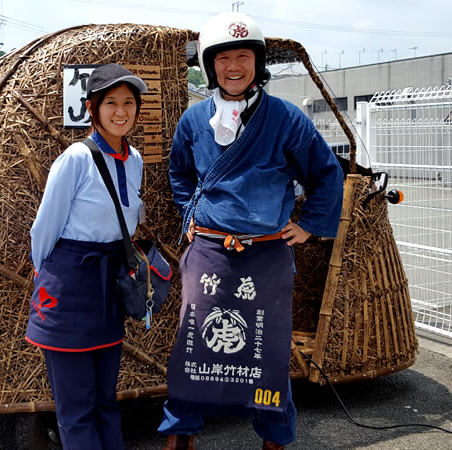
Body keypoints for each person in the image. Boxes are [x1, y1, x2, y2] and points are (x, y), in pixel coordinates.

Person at [159, 12, 344, 450]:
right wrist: (190, 216)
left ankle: (274, 437)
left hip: (266, 253)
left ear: (258, 63)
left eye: (244, 56)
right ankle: (181, 433)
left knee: (269, 349)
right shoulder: (193, 121)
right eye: (223, 58)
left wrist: (309, 225)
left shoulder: (286, 118)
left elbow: (326, 172)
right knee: (193, 344)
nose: (234, 66)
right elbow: (180, 173)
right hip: (209, 250)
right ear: (210, 66)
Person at [25, 63, 148, 450]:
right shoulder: (76, 158)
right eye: (110, 102)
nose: (121, 111)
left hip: (109, 284)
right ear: (92, 108)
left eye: (129, 102)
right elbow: (44, 227)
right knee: (76, 408)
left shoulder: (137, 159)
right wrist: (43, 274)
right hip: (69, 285)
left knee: (106, 402)